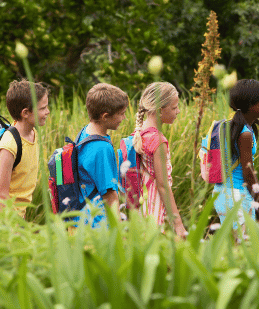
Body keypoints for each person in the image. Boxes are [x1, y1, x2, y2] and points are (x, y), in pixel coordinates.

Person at [0, 79, 50, 218]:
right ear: (25, 113)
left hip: (15, 213)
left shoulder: (32, 133)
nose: (47, 112)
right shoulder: (9, 146)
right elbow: (1, 195)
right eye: (42, 108)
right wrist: (15, 226)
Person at [213, 79, 259, 229]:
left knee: (235, 247)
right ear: (251, 104)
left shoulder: (234, 126)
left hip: (222, 193)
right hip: (236, 195)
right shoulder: (244, 134)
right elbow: (248, 174)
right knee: (245, 248)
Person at [133, 82, 187, 237]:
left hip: (141, 204)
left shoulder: (140, 133)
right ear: (159, 110)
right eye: (174, 107)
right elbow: (163, 186)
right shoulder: (158, 141)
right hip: (154, 208)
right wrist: (178, 224)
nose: (178, 111)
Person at [74, 83, 129, 229]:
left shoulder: (85, 132)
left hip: (81, 216)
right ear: (105, 116)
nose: (124, 117)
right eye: (121, 113)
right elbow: (110, 196)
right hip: (97, 223)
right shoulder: (101, 148)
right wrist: (119, 233)